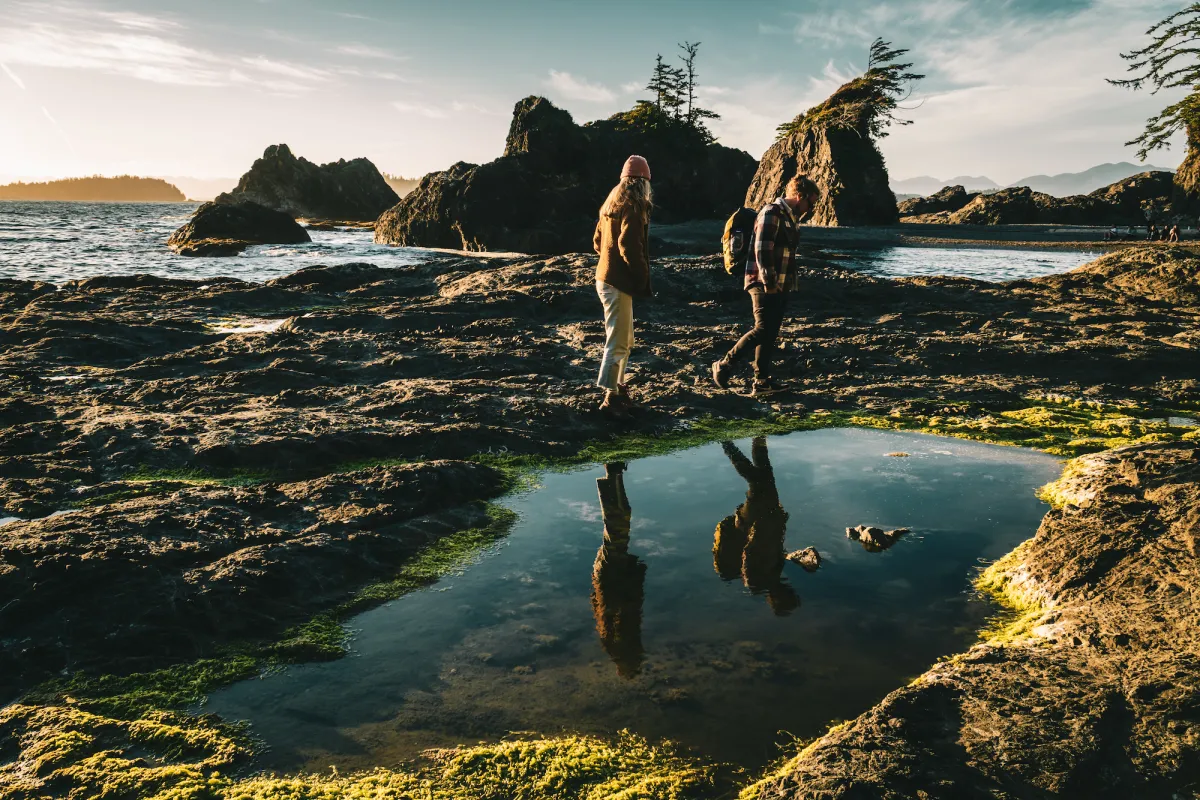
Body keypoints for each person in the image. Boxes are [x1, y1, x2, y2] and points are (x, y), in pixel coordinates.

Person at [711, 174, 820, 397]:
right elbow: (762, 249)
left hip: (779, 284)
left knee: (769, 333)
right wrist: (770, 282)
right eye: (811, 203)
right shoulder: (772, 213)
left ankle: (761, 382)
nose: (812, 208)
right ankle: (724, 365)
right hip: (762, 282)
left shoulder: (790, 218)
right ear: (800, 196)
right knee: (762, 328)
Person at [592, 155, 653, 420]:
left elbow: (597, 241)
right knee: (618, 341)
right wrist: (641, 278)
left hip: (605, 279)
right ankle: (610, 397)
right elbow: (628, 245)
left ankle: (617, 389)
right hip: (617, 282)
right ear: (643, 182)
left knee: (625, 340)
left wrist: (609, 260)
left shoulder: (611, 203)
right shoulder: (634, 205)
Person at [712, 438, 799, 615]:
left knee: (759, 480)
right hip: (766, 517)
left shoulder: (756, 584)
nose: (791, 590)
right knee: (764, 475)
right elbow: (773, 547)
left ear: (777, 599)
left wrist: (760, 527)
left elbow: (750, 553)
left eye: (789, 595)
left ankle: (729, 442)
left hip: (754, 520)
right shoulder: (773, 579)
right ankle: (752, 438)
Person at [591, 461, 646, 678]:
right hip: (608, 570)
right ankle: (614, 473)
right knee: (618, 522)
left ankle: (612, 472)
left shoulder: (622, 631)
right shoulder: (613, 631)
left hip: (612, 569)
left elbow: (628, 598)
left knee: (617, 524)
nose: (642, 653)